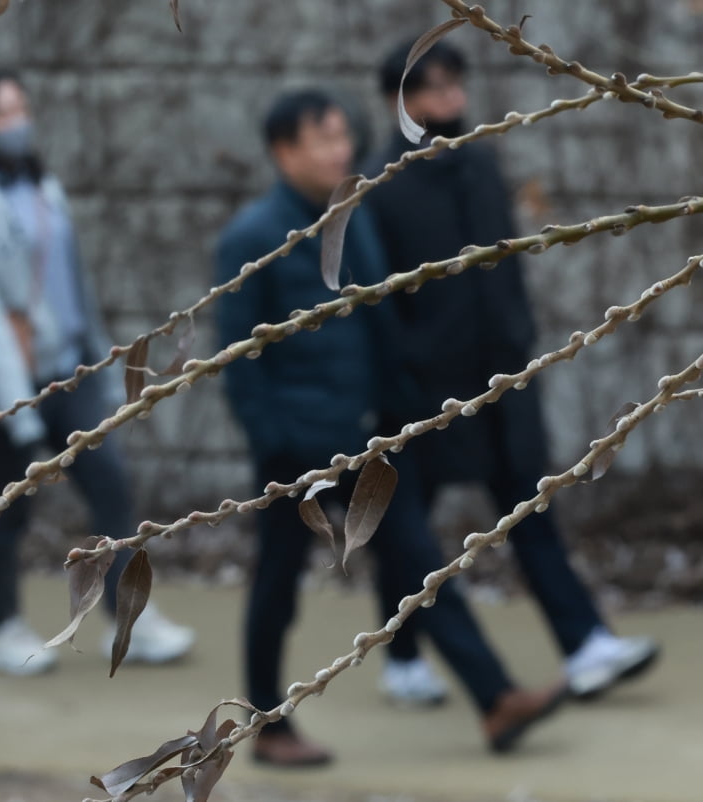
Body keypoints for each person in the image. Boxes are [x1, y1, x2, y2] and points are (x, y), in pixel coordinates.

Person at [216, 88, 568, 767]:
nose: (339, 151)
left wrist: (405, 412)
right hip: (297, 451)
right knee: (278, 585)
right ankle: (268, 725)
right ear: (283, 151)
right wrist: (276, 443)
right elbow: (240, 365)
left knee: (419, 566)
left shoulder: (354, 218)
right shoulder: (254, 239)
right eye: (321, 139)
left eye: (343, 137)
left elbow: (382, 324)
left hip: (365, 437)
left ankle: (496, 699)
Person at [363, 39, 659, 707]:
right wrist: (406, 378)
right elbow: (378, 301)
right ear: (399, 100)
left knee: (530, 509)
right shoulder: (380, 187)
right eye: (433, 89)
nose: (450, 101)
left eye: (455, 86)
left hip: (503, 379)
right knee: (411, 526)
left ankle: (586, 642)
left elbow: (508, 269)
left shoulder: (480, 162)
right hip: (427, 394)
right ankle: (403, 655)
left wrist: (521, 347)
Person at [0, 69, 195, 676]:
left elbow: (74, 284)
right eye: (3, 114)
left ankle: (129, 617)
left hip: (68, 372)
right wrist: (17, 415)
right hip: (11, 387)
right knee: (7, 507)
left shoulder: (41, 184)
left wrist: (97, 359)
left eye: (21, 108)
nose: (18, 123)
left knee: (111, 487)